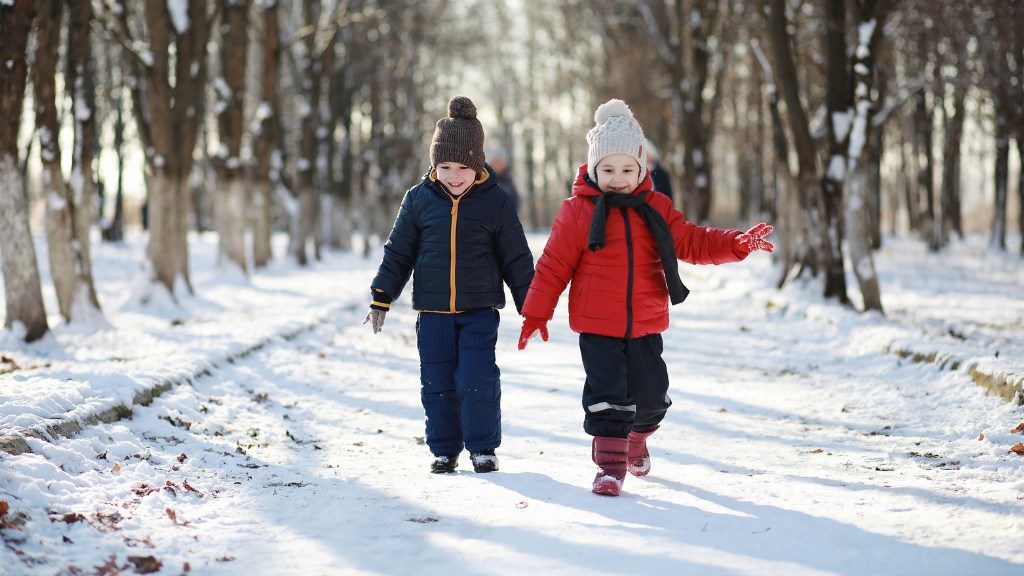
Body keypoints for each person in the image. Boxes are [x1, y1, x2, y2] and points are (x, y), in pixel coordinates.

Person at [517, 99, 774, 496]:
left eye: (626, 169)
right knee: (607, 398)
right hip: (597, 325)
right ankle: (609, 468)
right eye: (607, 169)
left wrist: (735, 243)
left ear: (641, 169)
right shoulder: (578, 212)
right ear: (592, 169)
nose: (617, 178)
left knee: (651, 398)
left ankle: (638, 438)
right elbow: (553, 265)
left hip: (646, 322)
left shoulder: (655, 208)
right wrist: (536, 312)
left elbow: (692, 240)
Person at [364, 96, 535, 474]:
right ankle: (444, 449)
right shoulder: (418, 200)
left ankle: (482, 448)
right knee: (437, 381)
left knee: (477, 379)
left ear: (477, 165)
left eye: (463, 166)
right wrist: (381, 297)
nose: (454, 175)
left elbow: (517, 258)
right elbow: (398, 252)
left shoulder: (496, 202)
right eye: (444, 166)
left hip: (479, 310)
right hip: (433, 312)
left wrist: (532, 307)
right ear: (433, 164)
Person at [488, 147, 521, 211]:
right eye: (496, 162)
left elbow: (516, 201)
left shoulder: (509, 181)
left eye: (501, 162)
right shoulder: (484, 180)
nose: (498, 165)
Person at [645, 138, 674, 204]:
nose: (645, 158)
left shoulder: (661, 173)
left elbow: (668, 194)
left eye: (647, 154)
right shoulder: (636, 173)